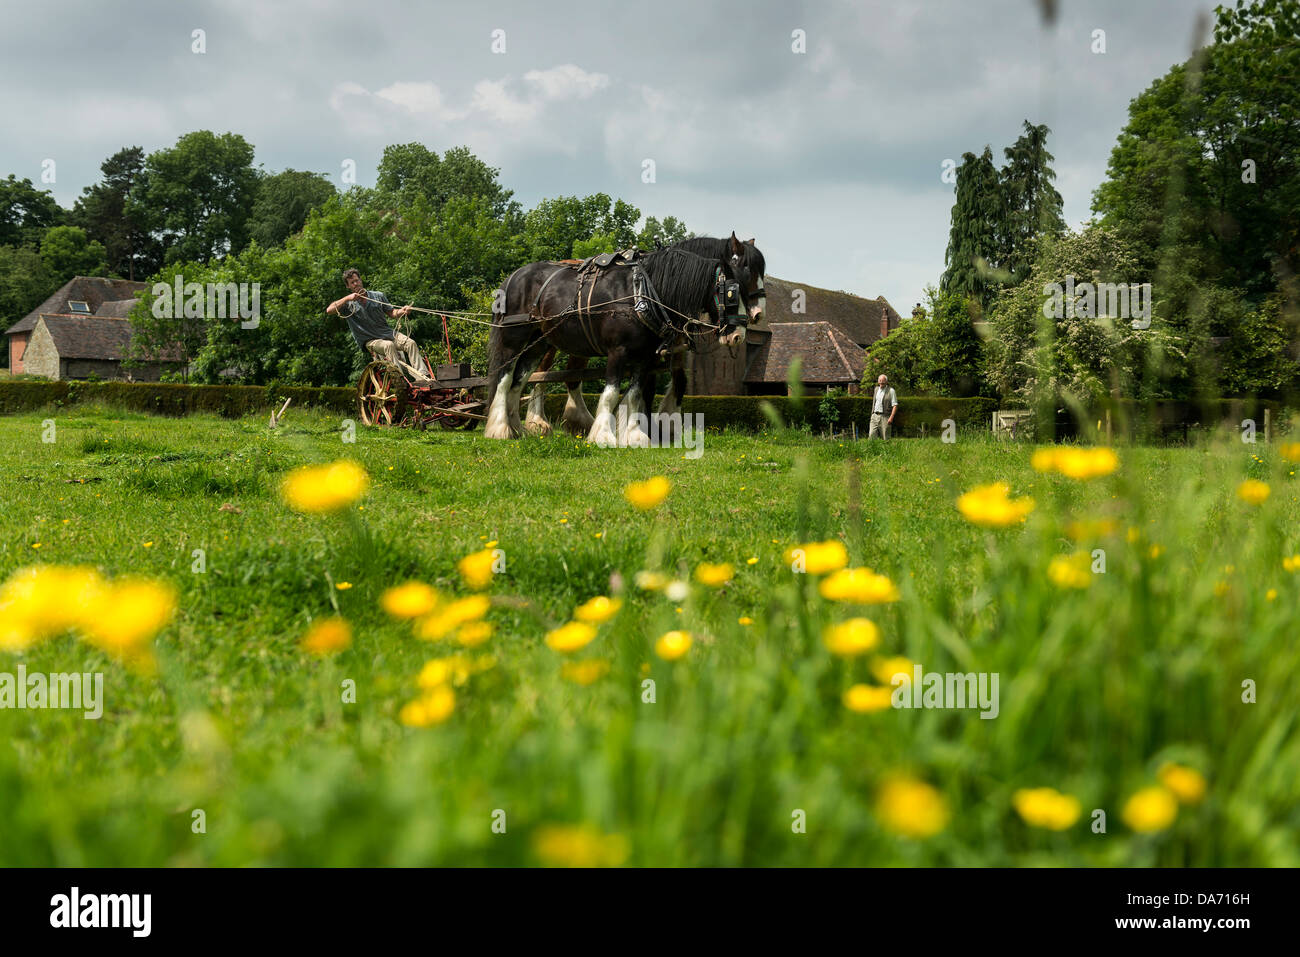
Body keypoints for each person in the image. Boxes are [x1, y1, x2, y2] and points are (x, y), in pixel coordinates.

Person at [327, 268, 429, 380]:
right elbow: (329, 310)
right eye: (352, 282)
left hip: (387, 334)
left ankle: (423, 378)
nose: (356, 284)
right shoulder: (347, 305)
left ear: (361, 280)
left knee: (410, 343)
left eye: (357, 280)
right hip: (370, 340)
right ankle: (399, 380)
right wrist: (347, 298)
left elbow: (393, 313)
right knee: (388, 345)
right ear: (348, 286)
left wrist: (403, 311)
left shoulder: (378, 296)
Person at [869, 374, 897, 439]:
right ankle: (872, 449)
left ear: (886, 382)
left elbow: (895, 405)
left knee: (885, 437)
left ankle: (887, 449)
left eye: (883, 381)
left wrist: (891, 417)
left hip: (885, 417)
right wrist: (872, 414)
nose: (881, 382)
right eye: (880, 380)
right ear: (878, 381)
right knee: (871, 435)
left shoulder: (891, 391)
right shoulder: (876, 389)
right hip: (874, 416)